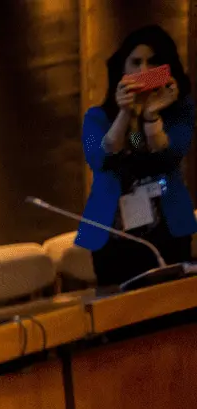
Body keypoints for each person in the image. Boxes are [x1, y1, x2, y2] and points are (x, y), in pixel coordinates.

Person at [80, 25, 194, 286]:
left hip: (168, 230)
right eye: (135, 62)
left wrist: (151, 116)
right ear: (122, 68)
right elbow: (100, 158)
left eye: (152, 62)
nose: (143, 71)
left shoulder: (179, 112)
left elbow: (169, 154)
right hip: (115, 236)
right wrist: (125, 114)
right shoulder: (96, 117)